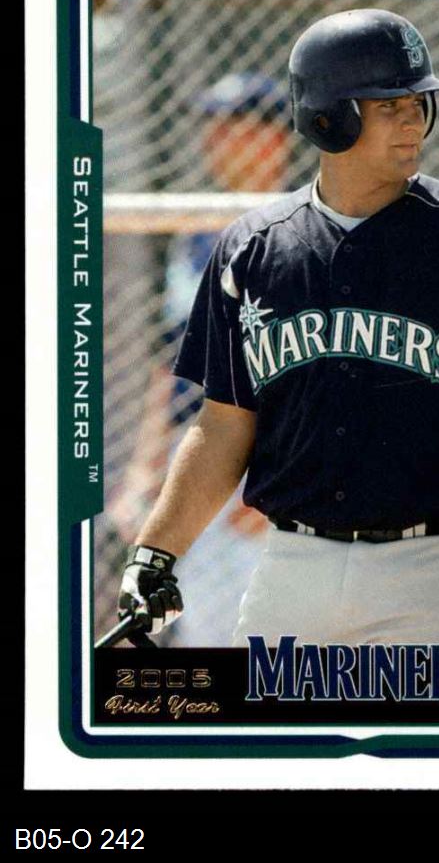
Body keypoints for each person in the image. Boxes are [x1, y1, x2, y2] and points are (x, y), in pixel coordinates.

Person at [117, 8, 439, 649]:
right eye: (388, 105)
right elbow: (222, 423)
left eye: (418, 102)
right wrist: (154, 554)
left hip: (438, 565)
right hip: (290, 565)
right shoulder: (251, 248)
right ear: (327, 117)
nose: (413, 120)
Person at [108, 70, 291, 646]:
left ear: (275, 140)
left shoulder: (298, 227)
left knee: (272, 635)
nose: (216, 141)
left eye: (233, 127)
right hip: (197, 451)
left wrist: (282, 476)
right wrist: (146, 466)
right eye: (212, 128)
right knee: (204, 632)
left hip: (267, 456)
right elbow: (173, 359)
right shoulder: (198, 229)